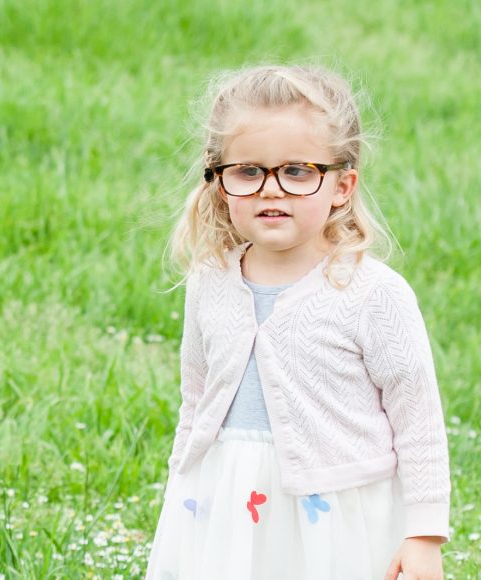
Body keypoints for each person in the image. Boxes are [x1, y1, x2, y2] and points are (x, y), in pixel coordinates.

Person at [144, 64, 451, 580]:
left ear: (341, 185)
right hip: (225, 503)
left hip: (334, 519)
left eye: (298, 171)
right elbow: (196, 400)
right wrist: (185, 492)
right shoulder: (210, 281)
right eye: (247, 171)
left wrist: (423, 534)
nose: (270, 190)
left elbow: (418, 420)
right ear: (219, 182)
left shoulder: (372, 293)